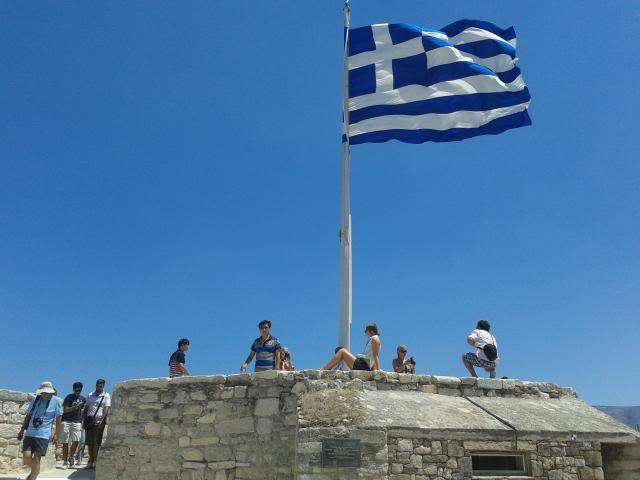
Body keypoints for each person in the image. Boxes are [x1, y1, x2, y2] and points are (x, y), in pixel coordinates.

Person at [17, 381, 63, 480]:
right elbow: (28, 415)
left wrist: (56, 434)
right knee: (26, 457)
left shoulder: (56, 401)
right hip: (30, 432)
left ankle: (31, 478)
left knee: (37, 459)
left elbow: (59, 418)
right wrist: (22, 429)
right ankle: (36, 470)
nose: (45, 395)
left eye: (47, 393)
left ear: (51, 392)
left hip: (43, 434)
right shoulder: (35, 400)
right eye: (43, 393)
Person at [83, 379, 111, 470]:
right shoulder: (90, 395)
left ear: (103, 386)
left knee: (96, 442)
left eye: (100, 386)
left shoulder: (106, 395)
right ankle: (90, 461)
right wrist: (84, 420)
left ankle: (95, 461)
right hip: (89, 420)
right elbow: (86, 407)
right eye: (97, 385)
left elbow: (106, 409)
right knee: (89, 442)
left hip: (98, 421)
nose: (98, 387)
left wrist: (102, 421)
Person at [60, 382, 86, 468]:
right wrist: (75, 407)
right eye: (76, 390)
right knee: (65, 441)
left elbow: (83, 412)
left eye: (79, 390)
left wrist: (82, 421)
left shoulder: (83, 399)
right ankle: (65, 462)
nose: (77, 392)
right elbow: (65, 410)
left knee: (76, 440)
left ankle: (71, 457)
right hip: (66, 420)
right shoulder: (69, 397)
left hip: (77, 421)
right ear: (73, 389)